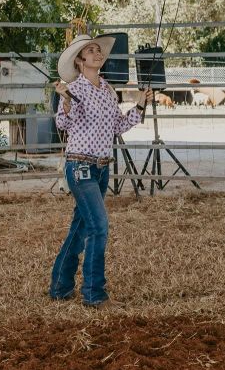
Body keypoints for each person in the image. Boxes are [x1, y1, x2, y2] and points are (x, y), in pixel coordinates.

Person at [50, 34, 152, 307]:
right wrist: (67, 101)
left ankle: (60, 286)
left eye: (98, 50)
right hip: (80, 166)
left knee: (81, 229)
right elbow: (62, 123)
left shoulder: (108, 89)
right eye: (91, 51)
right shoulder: (72, 89)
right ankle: (94, 294)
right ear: (80, 60)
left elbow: (116, 127)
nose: (97, 54)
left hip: (101, 168)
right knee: (99, 227)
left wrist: (140, 104)